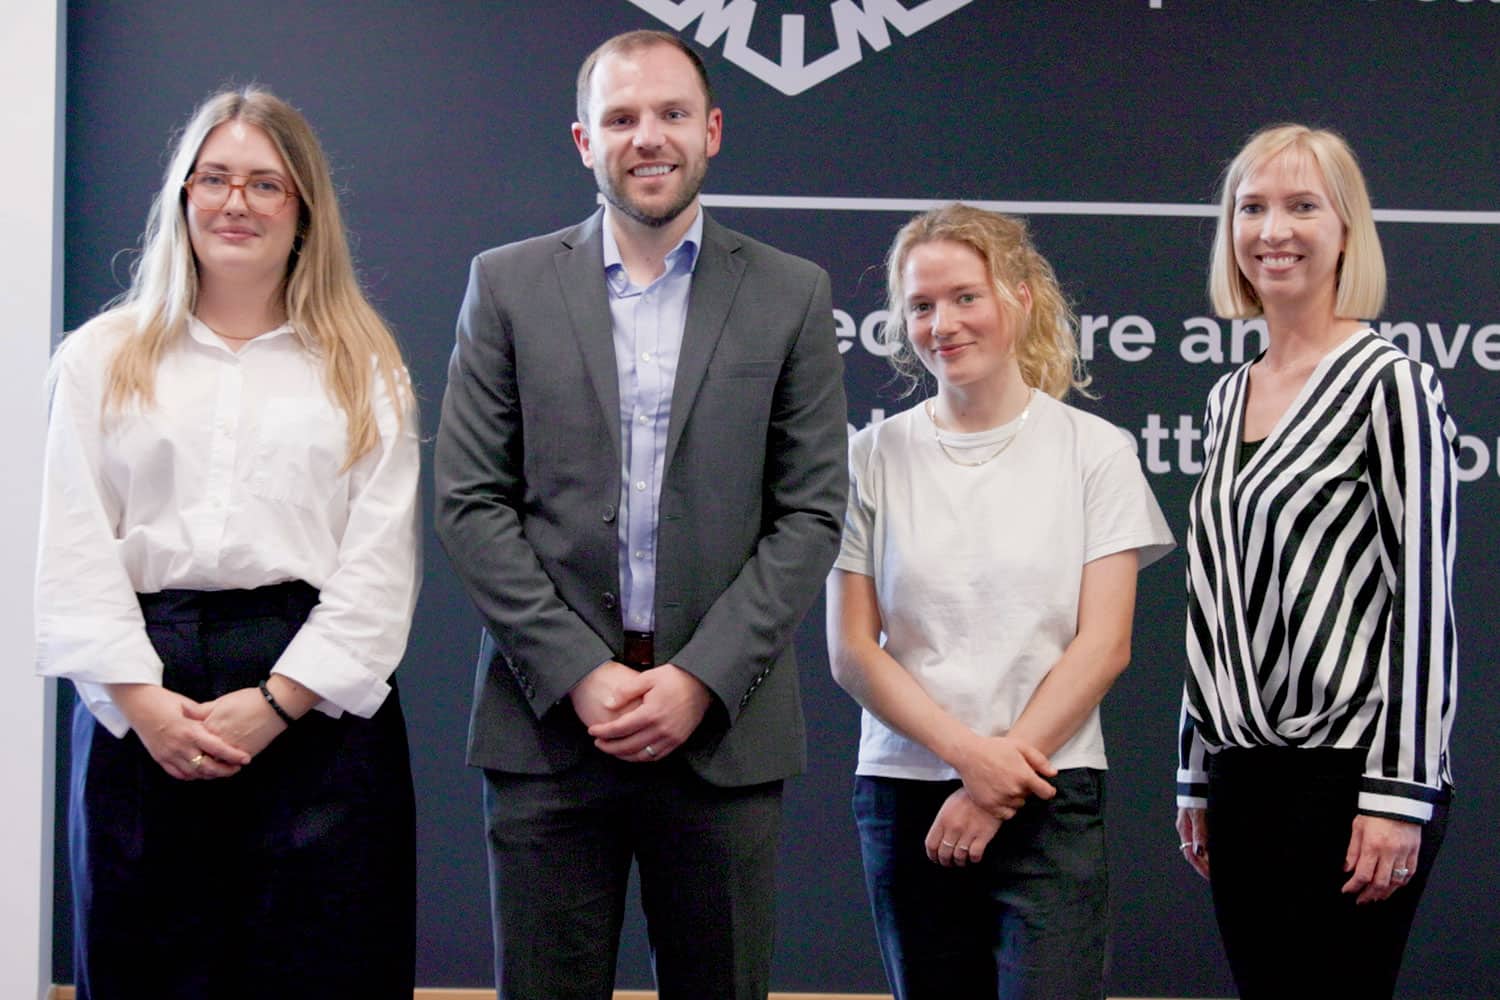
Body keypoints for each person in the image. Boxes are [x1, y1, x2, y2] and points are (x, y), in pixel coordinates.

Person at [433, 29, 847, 1000]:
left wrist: (698, 678)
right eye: (621, 118)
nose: (646, 137)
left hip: (722, 731)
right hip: (548, 729)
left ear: (711, 131)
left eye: (668, 114)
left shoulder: (790, 293)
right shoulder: (506, 285)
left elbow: (812, 511)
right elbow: (469, 499)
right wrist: (580, 671)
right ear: (585, 141)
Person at [36, 87, 421, 999]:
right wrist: (145, 704)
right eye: (214, 179)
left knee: (326, 970)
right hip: (142, 698)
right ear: (182, 196)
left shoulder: (363, 366)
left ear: (304, 212)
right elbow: (73, 545)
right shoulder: (102, 356)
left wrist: (278, 703)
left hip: (314, 709)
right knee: (144, 968)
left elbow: (379, 566)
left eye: (265, 184)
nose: (235, 202)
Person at [826, 203, 1174, 1000]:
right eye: (920, 306)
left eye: (964, 297)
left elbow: (1104, 644)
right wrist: (967, 760)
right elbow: (852, 650)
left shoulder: (1096, 451)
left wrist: (994, 782)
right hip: (905, 794)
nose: (942, 323)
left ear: (1019, 297)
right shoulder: (871, 456)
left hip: (1050, 793)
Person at [1175, 124, 1458, 999]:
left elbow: (1424, 596)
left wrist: (1399, 795)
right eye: (1251, 208)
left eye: (1302, 206)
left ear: (1346, 228)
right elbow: (1212, 595)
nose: (1273, 230)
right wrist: (1195, 772)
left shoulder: (1391, 382)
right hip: (1241, 775)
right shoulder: (1229, 396)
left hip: (1351, 776)